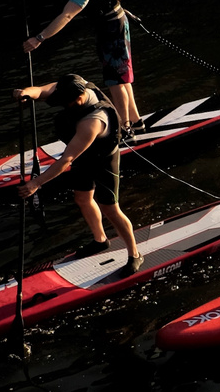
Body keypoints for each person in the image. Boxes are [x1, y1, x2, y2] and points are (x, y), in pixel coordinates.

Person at [14, 0, 143, 140]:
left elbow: (67, 15)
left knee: (116, 82)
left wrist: (39, 38)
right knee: (120, 79)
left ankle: (124, 130)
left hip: (113, 26)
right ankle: (136, 122)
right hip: (107, 25)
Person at [14, 74, 143, 272]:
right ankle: (100, 240)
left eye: (69, 103)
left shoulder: (93, 121)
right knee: (82, 198)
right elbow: (39, 90)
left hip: (104, 160)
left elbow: (66, 159)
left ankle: (134, 254)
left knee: (110, 209)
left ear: (80, 98)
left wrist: (36, 183)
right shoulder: (69, 85)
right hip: (84, 156)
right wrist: (24, 94)